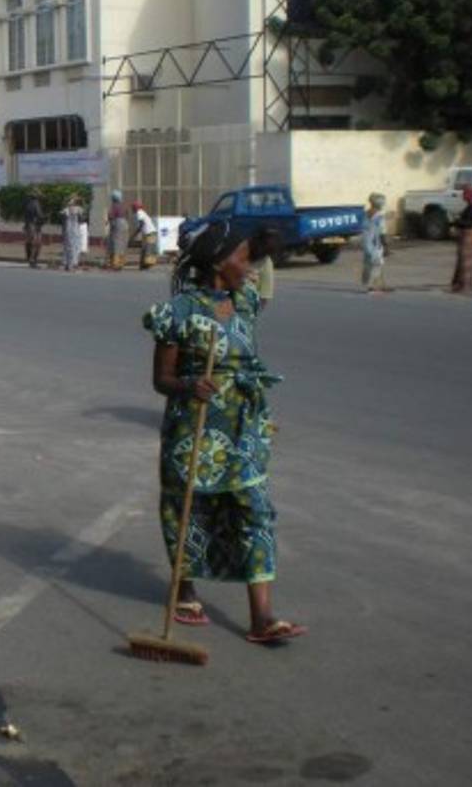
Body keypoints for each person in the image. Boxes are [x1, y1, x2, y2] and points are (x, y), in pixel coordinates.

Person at [144, 221, 305, 644]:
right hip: (193, 429)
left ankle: (262, 617)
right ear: (218, 262)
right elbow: (161, 379)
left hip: (242, 428)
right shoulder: (178, 312)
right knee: (187, 511)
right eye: (244, 259)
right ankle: (184, 590)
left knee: (255, 509)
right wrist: (187, 385)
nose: (250, 269)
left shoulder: (245, 301)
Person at [451, 185, 472, 294]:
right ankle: (462, 285)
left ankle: (464, 286)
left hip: (468, 236)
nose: (463, 196)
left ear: (469, 195)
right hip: (467, 236)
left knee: (465, 263)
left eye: (465, 194)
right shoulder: (470, 206)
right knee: (464, 262)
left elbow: (469, 223)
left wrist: (457, 222)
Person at [361, 193, 389, 294]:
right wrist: (386, 246)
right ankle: (372, 287)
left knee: (368, 264)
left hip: (366, 242)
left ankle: (369, 284)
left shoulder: (365, 214)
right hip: (375, 243)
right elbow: (382, 232)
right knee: (377, 264)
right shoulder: (379, 216)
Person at [61, 195, 86, 271]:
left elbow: (63, 220)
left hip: (68, 230)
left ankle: (67, 264)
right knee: (74, 247)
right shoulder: (78, 209)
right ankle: (72, 265)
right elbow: (81, 219)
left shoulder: (66, 210)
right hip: (75, 230)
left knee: (67, 247)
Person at [107, 190, 129, 270]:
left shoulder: (114, 206)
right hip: (125, 224)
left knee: (116, 244)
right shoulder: (124, 205)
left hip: (117, 223)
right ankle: (121, 263)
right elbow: (127, 214)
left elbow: (111, 216)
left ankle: (115, 264)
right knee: (123, 244)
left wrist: (110, 223)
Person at [22, 191, 45, 268]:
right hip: (35, 225)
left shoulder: (27, 204)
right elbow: (39, 215)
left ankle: (30, 258)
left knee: (30, 242)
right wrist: (44, 218)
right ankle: (33, 260)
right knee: (37, 243)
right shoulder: (36, 204)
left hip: (29, 225)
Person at [134, 201, 158, 270]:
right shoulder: (142, 212)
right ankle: (144, 264)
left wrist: (135, 234)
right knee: (146, 249)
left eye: (133, 207)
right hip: (151, 232)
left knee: (148, 249)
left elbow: (141, 224)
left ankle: (146, 265)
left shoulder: (139, 212)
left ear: (136, 207)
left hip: (149, 233)